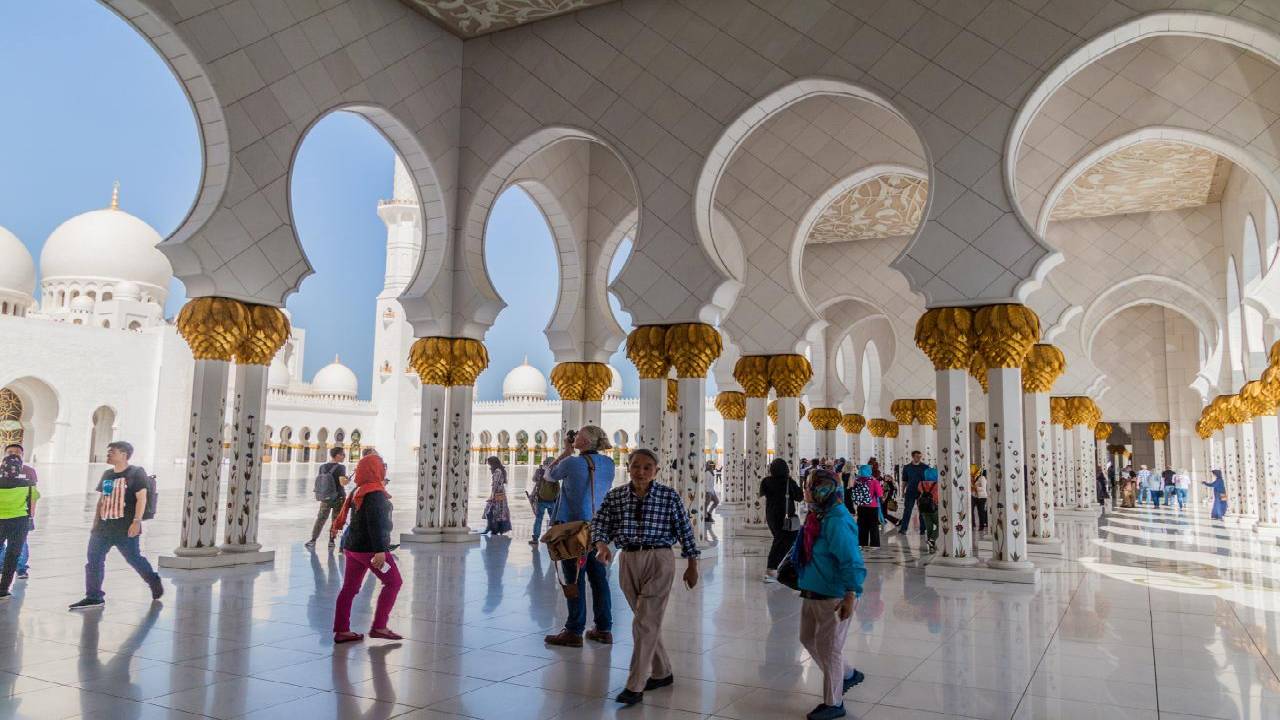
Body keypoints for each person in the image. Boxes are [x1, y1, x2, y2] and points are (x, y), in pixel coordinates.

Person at [591, 448, 699, 706]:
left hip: (659, 559)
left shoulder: (668, 496)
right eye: (636, 466)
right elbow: (600, 523)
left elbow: (685, 529)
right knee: (645, 621)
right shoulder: (616, 496)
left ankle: (635, 685)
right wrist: (601, 544)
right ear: (628, 467)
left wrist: (692, 564)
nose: (640, 471)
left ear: (656, 471)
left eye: (647, 467)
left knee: (644, 624)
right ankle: (662, 672)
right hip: (628, 560)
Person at [792, 469, 866, 720]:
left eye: (817, 486)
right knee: (807, 638)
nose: (811, 491)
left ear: (832, 490)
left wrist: (851, 594)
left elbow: (851, 559)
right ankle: (846, 674)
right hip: (813, 590)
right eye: (810, 485)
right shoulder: (818, 516)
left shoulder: (836, 520)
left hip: (834, 595)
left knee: (829, 648)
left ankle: (834, 703)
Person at [544, 425, 615, 647]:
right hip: (598, 530)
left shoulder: (572, 462)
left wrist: (566, 451)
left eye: (579, 436)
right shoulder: (609, 464)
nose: (575, 438)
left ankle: (574, 630)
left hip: (573, 530)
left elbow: (548, 476)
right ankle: (604, 629)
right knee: (598, 579)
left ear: (585, 442)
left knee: (573, 579)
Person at [70, 441, 163, 609]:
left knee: (134, 558)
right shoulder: (107, 474)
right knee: (94, 560)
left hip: (125, 527)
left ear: (124, 454)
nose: (108, 454)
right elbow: (103, 499)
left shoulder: (136, 473)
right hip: (103, 528)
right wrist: (95, 522)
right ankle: (94, 596)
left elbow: (142, 498)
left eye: (112, 452)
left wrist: (136, 522)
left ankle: (153, 580)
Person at [332, 451, 402, 643]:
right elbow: (375, 523)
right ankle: (379, 626)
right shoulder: (375, 493)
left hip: (352, 547)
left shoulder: (358, 490)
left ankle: (342, 630)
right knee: (394, 582)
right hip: (370, 549)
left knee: (349, 588)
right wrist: (381, 550)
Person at [0, 455, 37, 599]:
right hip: (19, 523)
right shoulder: (28, 484)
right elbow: (32, 507)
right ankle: (3, 589)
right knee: (12, 555)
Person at [759, 457, 802, 583]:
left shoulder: (766, 481)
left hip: (771, 516)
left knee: (780, 540)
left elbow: (763, 494)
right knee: (782, 542)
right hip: (785, 516)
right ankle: (771, 570)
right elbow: (799, 497)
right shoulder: (788, 482)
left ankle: (779, 568)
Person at [307, 447, 349, 549]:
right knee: (335, 520)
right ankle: (331, 541)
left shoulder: (322, 467)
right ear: (337, 455)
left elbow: (320, 483)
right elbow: (342, 483)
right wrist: (347, 480)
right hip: (338, 497)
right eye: (343, 454)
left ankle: (313, 540)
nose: (344, 456)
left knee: (321, 519)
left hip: (325, 497)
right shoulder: (341, 467)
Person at [895, 451, 929, 537]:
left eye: (920, 456)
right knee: (907, 510)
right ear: (913, 457)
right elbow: (904, 481)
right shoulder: (907, 467)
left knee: (922, 510)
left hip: (922, 492)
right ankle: (903, 529)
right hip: (910, 491)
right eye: (917, 456)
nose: (919, 458)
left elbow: (928, 480)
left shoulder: (925, 467)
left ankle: (923, 529)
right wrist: (902, 492)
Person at [850, 465, 882, 548]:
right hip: (873, 506)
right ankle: (874, 544)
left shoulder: (857, 481)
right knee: (873, 525)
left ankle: (862, 543)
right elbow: (879, 494)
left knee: (861, 525)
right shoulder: (874, 481)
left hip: (861, 506)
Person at [528, 457, 558, 546]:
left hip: (541, 498)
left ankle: (535, 538)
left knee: (539, 519)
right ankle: (555, 537)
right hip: (552, 499)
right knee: (553, 519)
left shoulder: (539, 471)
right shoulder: (555, 471)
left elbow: (534, 480)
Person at [482, 456, 512, 535]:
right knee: (499, 512)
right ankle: (495, 529)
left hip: (497, 493)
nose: (489, 465)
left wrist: (492, 496)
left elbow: (495, 484)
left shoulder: (498, 471)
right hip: (500, 493)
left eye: (489, 463)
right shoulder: (500, 470)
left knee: (490, 511)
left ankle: (491, 528)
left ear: (493, 463)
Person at [917, 467, 941, 553]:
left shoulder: (921, 483)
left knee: (929, 526)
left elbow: (920, 492)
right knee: (940, 525)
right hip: (935, 508)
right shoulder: (938, 484)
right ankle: (932, 539)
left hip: (923, 508)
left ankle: (931, 546)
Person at [971, 465, 988, 533]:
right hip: (975, 496)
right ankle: (973, 524)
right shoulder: (973, 479)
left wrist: (975, 488)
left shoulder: (982, 478)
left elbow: (983, 488)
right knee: (971, 510)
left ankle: (982, 526)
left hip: (982, 497)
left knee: (980, 511)